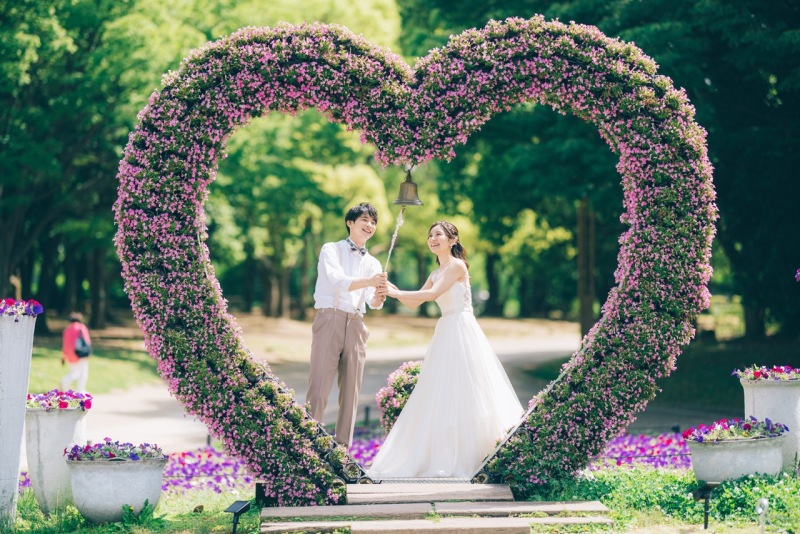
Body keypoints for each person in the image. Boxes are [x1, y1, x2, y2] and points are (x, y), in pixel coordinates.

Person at [367, 221, 523, 479]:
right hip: (445, 331)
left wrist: (395, 294)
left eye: (438, 235)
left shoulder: (457, 266)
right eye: (430, 236)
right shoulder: (435, 271)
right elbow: (416, 301)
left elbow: (432, 295)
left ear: (452, 240)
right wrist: (391, 289)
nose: (433, 239)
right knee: (442, 390)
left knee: (470, 389)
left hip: (462, 329)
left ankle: (478, 453)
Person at [306, 203, 388, 446]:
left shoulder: (373, 262)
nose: (369, 225)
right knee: (319, 387)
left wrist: (378, 296)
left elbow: (372, 303)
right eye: (364, 219)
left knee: (351, 392)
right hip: (330, 316)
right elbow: (337, 280)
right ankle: (310, 445)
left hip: (356, 323)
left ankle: (343, 450)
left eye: (373, 222)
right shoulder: (330, 249)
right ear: (349, 222)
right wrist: (369, 282)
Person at [61, 311, 92, 393]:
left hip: (71, 355)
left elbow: (65, 345)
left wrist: (64, 357)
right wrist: (89, 353)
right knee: (83, 373)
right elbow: (87, 341)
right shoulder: (82, 328)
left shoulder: (67, 330)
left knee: (73, 372)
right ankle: (80, 390)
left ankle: (64, 383)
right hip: (81, 354)